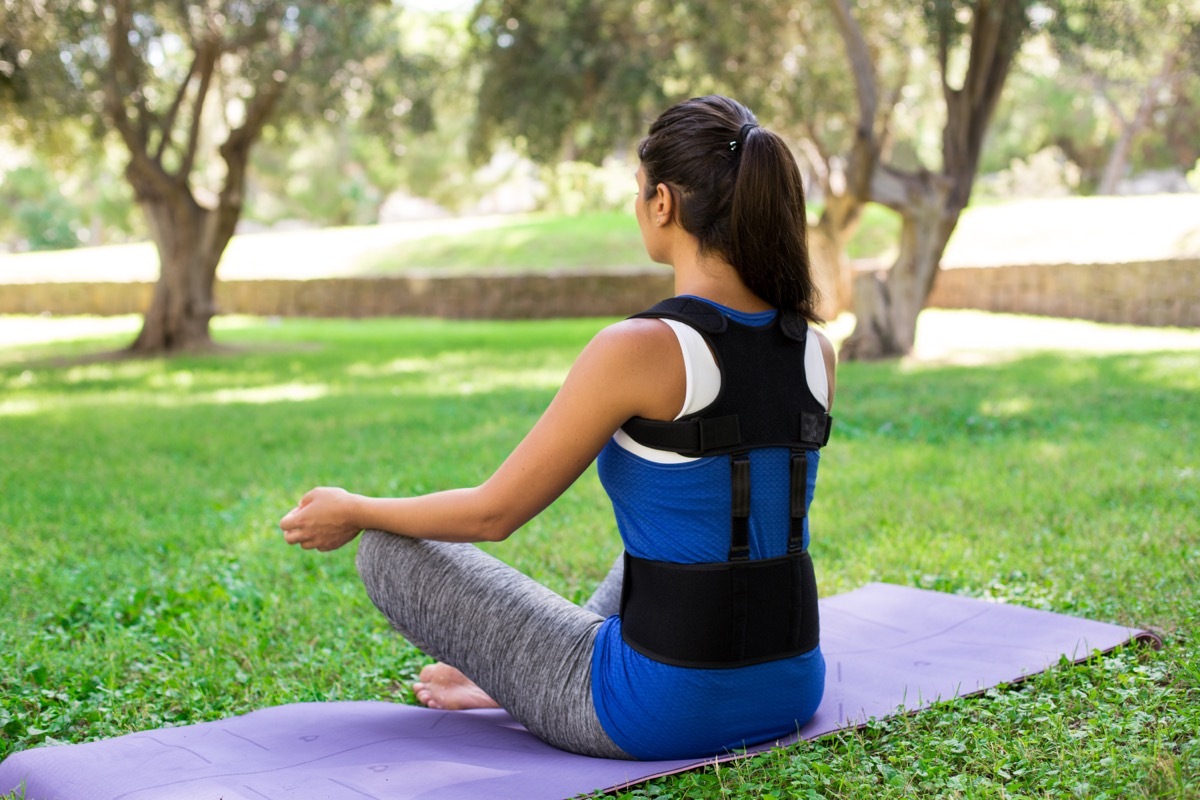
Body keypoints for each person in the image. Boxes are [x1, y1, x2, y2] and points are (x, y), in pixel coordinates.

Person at [279, 94, 837, 762]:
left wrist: (355, 509)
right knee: (698, 525)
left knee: (387, 550)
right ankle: (521, 676)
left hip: (658, 710)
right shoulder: (813, 349)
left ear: (663, 203)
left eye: (638, 194)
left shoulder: (638, 348)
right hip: (793, 687)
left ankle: (524, 679)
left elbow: (494, 513)